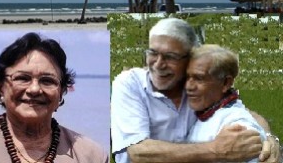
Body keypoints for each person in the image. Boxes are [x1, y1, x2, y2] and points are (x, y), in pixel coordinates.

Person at [111, 18, 279, 163]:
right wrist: (216, 150)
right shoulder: (130, 83)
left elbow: (241, 111)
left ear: (189, 59)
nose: (158, 64)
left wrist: (269, 138)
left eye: (170, 56)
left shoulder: (196, 88)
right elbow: (138, 152)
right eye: (153, 53)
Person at [0, 32, 108, 163]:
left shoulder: (91, 156)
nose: (34, 89)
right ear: (0, 87)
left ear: (62, 91)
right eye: (22, 78)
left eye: (47, 81)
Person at [185, 44, 266, 163]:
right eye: (187, 77)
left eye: (199, 78)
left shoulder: (238, 127)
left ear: (226, 83)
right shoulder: (204, 110)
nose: (188, 86)